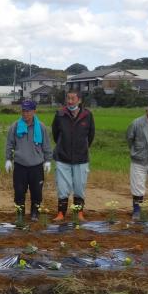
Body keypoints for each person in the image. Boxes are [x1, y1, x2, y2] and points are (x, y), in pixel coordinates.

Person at [5, 100, 53, 221]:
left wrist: (48, 160)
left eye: (28, 111)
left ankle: (34, 213)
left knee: (37, 192)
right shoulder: (15, 126)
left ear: (34, 111)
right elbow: (10, 144)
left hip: (36, 165)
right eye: (23, 111)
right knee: (19, 192)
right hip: (20, 165)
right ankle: (20, 215)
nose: (25, 113)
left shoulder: (40, 127)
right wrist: (8, 160)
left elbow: (46, 145)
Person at [51, 91, 95, 221]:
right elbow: (55, 134)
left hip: (81, 158)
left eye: (73, 99)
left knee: (79, 186)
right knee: (62, 187)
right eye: (68, 98)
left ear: (79, 100)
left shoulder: (87, 115)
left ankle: (79, 213)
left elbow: (90, 135)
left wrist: (82, 147)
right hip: (62, 157)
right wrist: (63, 146)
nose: (70, 101)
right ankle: (61, 213)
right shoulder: (60, 114)